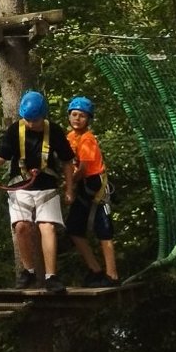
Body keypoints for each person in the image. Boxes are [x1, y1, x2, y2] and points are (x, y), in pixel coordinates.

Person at [0, 89, 78, 292]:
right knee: (21, 226)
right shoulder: (15, 130)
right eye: (28, 119)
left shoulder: (54, 131)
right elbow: (1, 156)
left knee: (47, 227)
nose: (31, 124)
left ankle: (51, 276)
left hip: (47, 187)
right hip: (20, 186)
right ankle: (28, 271)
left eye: (35, 120)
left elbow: (67, 161)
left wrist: (69, 188)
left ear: (43, 115)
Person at [63, 95, 119, 283]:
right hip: (81, 186)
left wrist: (68, 184)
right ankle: (95, 270)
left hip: (95, 186)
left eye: (82, 116)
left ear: (88, 119)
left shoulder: (88, 139)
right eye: (74, 114)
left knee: (104, 229)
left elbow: (83, 169)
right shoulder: (70, 137)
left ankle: (112, 274)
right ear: (69, 116)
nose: (77, 119)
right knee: (73, 228)